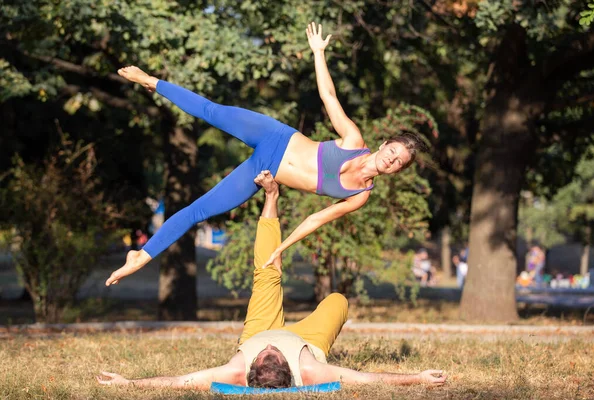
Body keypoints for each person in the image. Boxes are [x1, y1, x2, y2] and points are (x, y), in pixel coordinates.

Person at [104, 22, 428, 286]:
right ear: (385, 144)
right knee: (210, 110)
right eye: (394, 151)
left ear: (398, 171)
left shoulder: (359, 195)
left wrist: (280, 248)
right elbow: (328, 96)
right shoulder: (353, 139)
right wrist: (318, 53)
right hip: (274, 135)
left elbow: (314, 220)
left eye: (400, 162)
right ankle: (151, 81)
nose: (392, 159)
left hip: (263, 172)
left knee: (198, 211)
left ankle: (141, 255)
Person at [97, 171, 447, 390]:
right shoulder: (307, 369)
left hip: (258, 327)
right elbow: (364, 379)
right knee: (338, 300)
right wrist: (417, 378)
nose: (269, 352)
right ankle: (330, 300)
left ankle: (271, 197)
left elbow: (180, 381)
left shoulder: (238, 368)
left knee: (266, 271)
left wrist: (129, 383)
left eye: (262, 357)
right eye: (274, 357)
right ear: (287, 368)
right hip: (309, 341)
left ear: (251, 369)